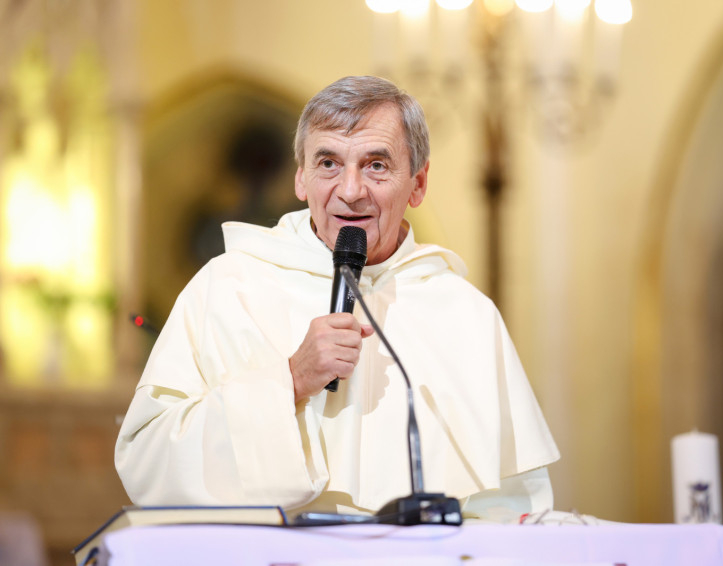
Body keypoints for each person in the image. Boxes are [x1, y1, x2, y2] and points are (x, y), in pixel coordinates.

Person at [115, 76, 560, 522]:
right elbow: (147, 464)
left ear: (418, 184)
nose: (350, 190)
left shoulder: (465, 315)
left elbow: (514, 509)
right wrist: (290, 380)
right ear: (301, 178)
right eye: (328, 163)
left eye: (376, 165)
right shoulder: (228, 287)